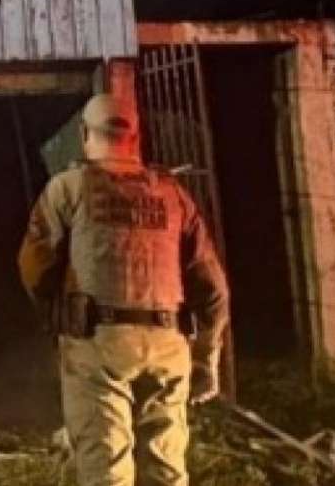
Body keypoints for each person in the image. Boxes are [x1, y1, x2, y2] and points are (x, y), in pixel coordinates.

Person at [18, 93, 230, 486]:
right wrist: (206, 359)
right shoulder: (173, 195)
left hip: (98, 346)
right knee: (166, 472)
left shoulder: (67, 188)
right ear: (136, 137)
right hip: (169, 346)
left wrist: (58, 318)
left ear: (84, 134)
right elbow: (214, 288)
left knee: (107, 472)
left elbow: (35, 268)